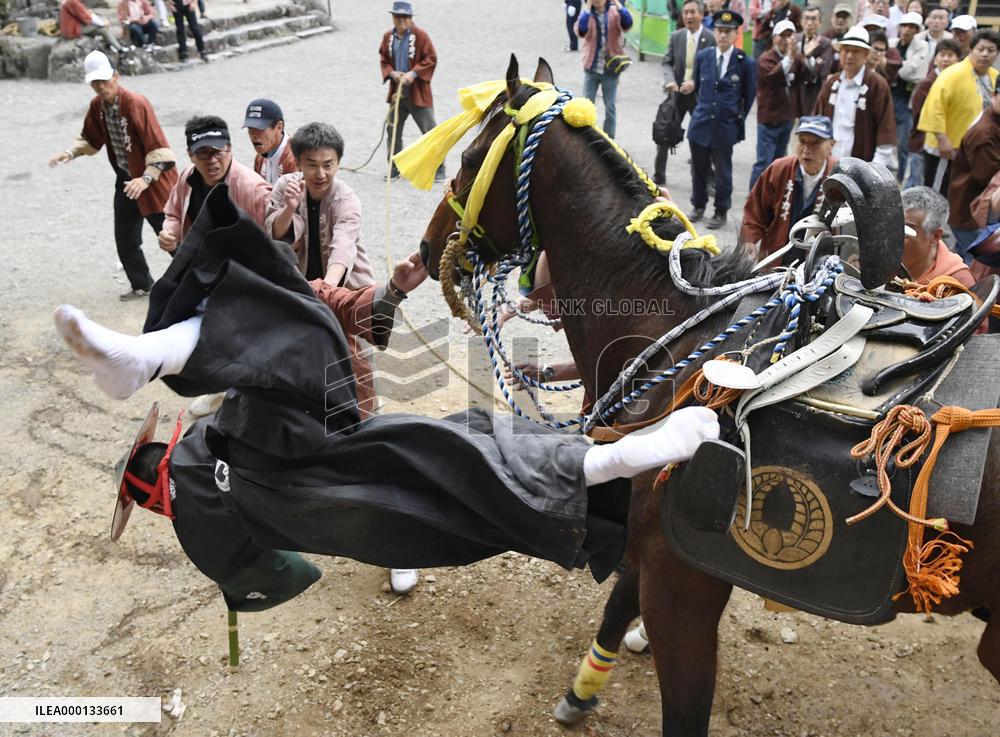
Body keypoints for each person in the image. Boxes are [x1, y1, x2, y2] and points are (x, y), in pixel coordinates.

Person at [52, 186, 721, 598]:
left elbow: (284, 574)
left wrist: (397, 288)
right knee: (432, 465)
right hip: (301, 457)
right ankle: (604, 463)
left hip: (303, 428)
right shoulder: (203, 507)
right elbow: (288, 573)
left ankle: (142, 356)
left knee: (428, 447)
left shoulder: (204, 522)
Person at [266, 122, 377, 416]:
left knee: (346, 349)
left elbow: (344, 245)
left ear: (339, 162)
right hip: (300, 283)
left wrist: (326, 291)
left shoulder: (346, 197)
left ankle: (365, 415)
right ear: (298, 162)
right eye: (311, 164)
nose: (320, 173)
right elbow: (274, 235)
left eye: (328, 164)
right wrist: (289, 208)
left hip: (342, 284)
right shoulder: (285, 186)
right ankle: (308, 408)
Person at [48, 51, 177, 301]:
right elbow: (90, 137)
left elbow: (157, 146)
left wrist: (146, 179)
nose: (101, 87)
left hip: (153, 181)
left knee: (170, 235)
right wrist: (69, 152)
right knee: (125, 238)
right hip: (127, 180)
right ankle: (142, 284)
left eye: (105, 81)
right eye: (95, 83)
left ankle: (198, 282)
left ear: (116, 77)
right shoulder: (98, 107)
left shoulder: (136, 103)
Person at [158, 116, 271, 255]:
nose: (212, 160)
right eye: (203, 153)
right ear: (190, 154)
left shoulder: (253, 189)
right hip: (199, 262)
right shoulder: (187, 177)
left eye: (218, 152)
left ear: (229, 149)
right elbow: (174, 215)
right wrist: (170, 232)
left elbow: (271, 238)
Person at [688, 10, 756, 230]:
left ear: (736, 34)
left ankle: (720, 211)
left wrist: (734, 119)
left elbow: (749, 95)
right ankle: (698, 206)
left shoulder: (745, 62)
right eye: (719, 30)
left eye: (728, 31)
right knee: (698, 169)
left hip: (725, 128)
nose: (723, 35)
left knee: (723, 173)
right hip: (700, 124)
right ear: (714, 32)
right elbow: (699, 88)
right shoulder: (703, 56)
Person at [742, 115, 837, 262]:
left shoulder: (839, 176)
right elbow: (755, 210)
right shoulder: (779, 168)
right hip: (778, 255)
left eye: (815, 143)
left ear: (831, 144)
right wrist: (749, 240)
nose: (806, 150)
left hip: (819, 261)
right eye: (802, 141)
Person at [917, 30, 1000, 194]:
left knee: (958, 193)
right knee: (936, 193)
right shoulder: (953, 74)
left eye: (991, 51)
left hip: (974, 148)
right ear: (971, 49)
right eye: (981, 49)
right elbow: (934, 106)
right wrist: (941, 138)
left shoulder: (994, 75)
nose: (985, 54)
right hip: (946, 146)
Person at [813, 26, 896, 169]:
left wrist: (874, 168)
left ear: (865, 55)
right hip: (829, 160)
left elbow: (885, 128)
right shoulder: (832, 83)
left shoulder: (877, 85)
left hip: (861, 164)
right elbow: (817, 119)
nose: (849, 56)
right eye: (846, 50)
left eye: (855, 51)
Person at [379, 1, 444, 181]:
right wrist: (392, 73)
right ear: (393, 17)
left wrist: (413, 74)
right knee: (393, 131)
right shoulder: (388, 37)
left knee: (430, 131)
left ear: (410, 18)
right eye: (397, 17)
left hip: (417, 93)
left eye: (404, 17)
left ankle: (439, 168)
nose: (401, 21)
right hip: (397, 94)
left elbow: (431, 58)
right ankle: (394, 167)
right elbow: (384, 59)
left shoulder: (420, 36)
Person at [655, 0, 715, 185]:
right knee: (664, 132)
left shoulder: (710, 38)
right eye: (686, 12)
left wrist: (696, 83)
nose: (689, 16)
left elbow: (714, 69)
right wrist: (670, 80)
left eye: (693, 12)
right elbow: (666, 62)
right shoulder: (676, 36)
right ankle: (659, 176)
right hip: (677, 95)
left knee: (702, 138)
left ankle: (705, 177)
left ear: (702, 15)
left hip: (699, 97)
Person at [946, 75, 1000, 258]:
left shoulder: (994, 120)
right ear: (994, 95)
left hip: (971, 212)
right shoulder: (983, 133)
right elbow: (990, 177)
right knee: (977, 266)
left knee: (964, 258)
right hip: (970, 214)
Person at [750, 20, 803, 190]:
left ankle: (774, 197)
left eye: (790, 35)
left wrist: (804, 55)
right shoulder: (766, 58)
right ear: (774, 38)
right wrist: (789, 57)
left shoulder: (795, 57)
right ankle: (754, 196)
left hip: (786, 119)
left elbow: (809, 75)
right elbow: (774, 77)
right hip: (769, 120)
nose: (786, 39)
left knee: (780, 162)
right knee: (763, 163)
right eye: (783, 35)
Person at [905, 38, 961, 188]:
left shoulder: (957, 82)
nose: (946, 59)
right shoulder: (927, 84)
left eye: (951, 55)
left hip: (946, 145)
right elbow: (919, 115)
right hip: (922, 143)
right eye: (942, 54)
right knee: (917, 185)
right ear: (935, 59)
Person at [577, 0, 634, 139]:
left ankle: (609, 140)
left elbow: (628, 23)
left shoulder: (614, 12)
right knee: (587, 105)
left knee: (610, 107)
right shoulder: (587, 15)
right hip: (592, 68)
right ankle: (586, 137)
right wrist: (588, 6)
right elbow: (581, 30)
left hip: (610, 70)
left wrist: (618, 3)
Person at [901, 186, 975, 286]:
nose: (891, 237)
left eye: (905, 231)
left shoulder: (957, 283)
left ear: (935, 236)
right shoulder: (878, 259)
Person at [889, 12, 931, 182]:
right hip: (888, 94)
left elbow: (914, 74)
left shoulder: (922, 46)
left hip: (906, 99)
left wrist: (892, 66)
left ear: (916, 30)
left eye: (912, 27)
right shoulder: (892, 43)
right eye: (905, 26)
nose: (907, 30)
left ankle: (899, 179)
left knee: (903, 145)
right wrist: (902, 67)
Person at [243, 98, 297, 185]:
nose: (254, 135)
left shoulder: (295, 158)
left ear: (279, 127)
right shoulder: (260, 158)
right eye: (250, 128)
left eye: (260, 128)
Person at [794, 5, 835, 118]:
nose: (809, 23)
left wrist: (808, 57)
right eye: (806, 18)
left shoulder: (825, 44)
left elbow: (821, 71)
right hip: (794, 95)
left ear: (820, 22)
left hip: (812, 95)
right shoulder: (794, 40)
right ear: (801, 21)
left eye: (813, 19)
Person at [59, 0, 126, 54]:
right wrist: (104, 23)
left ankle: (114, 46)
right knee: (103, 28)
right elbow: (87, 17)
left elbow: (86, 14)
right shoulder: (73, 2)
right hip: (72, 30)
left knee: (102, 30)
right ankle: (118, 48)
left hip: (71, 28)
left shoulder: (69, 2)